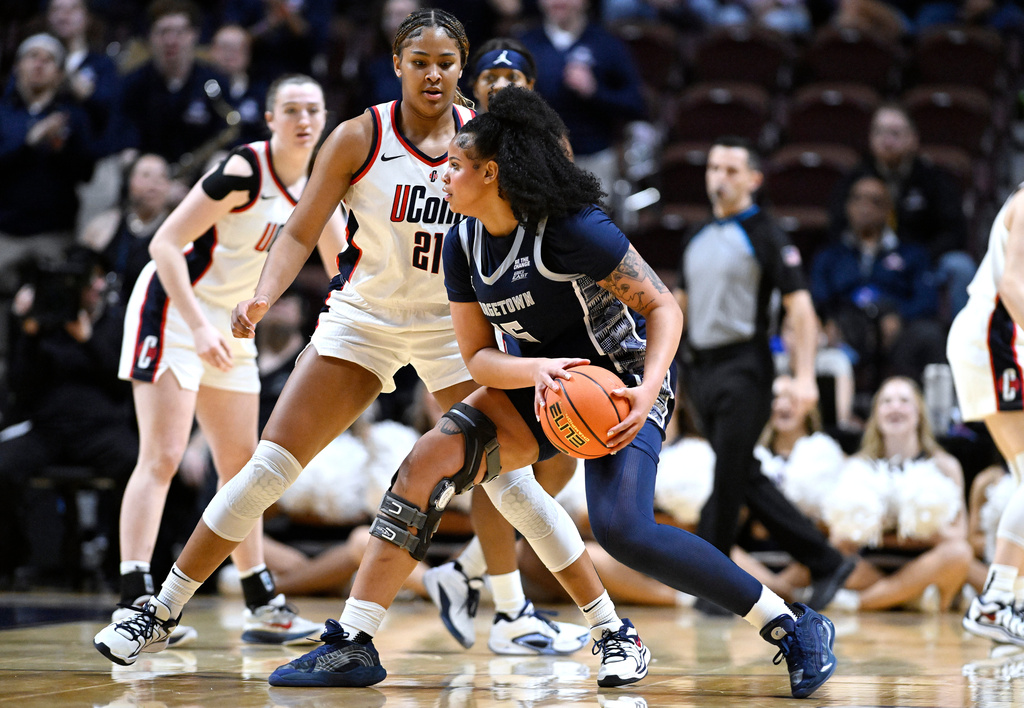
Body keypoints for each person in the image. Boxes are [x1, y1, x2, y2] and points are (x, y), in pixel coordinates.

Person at [259, 85, 832, 695]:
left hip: (619, 382)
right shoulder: (462, 243)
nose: (442, 176)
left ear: (491, 173)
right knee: (426, 461)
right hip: (538, 383)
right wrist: (533, 372)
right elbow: (478, 357)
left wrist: (648, 392)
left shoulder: (576, 230)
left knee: (624, 531)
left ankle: (792, 626)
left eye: (454, 166)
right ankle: (354, 642)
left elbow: (663, 307)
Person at [92, 7, 590, 673]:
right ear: (397, 66)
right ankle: (158, 608)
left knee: (510, 482)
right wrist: (266, 292)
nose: (435, 74)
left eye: (446, 63)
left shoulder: (487, 139)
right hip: (365, 319)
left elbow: (540, 223)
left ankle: (590, 623)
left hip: (453, 325)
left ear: (461, 68)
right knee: (266, 468)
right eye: (421, 62)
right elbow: (300, 228)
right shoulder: (361, 135)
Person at [101, 73, 344, 651]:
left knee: (244, 471)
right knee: (160, 457)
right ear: (270, 118)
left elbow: (344, 268)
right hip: (174, 308)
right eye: (291, 109)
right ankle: (134, 594)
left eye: (313, 109)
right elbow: (164, 242)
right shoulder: (242, 170)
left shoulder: (319, 184)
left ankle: (261, 600)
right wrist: (198, 325)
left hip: (233, 325)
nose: (304, 120)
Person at [420, 35, 587, 655]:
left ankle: (462, 574)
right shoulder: (454, 136)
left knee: (562, 458)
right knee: (497, 464)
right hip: (460, 312)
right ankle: (510, 609)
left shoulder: (549, 145)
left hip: (524, 316)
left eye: (514, 77)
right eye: (491, 76)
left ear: (532, 88)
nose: (502, 85)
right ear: (473, 84)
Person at [675, 135, 857, 615]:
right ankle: (825, 561)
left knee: (729, 472)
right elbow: (679, 309)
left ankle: (712, 588)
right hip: (700, 370)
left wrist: (803, 377)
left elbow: (801, 309)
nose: (720, 177)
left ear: (754, 179)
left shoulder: (766, 233)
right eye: (714, 168)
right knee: (742, 473)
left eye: (732, 170)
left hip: (745, 366)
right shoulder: (694, 237)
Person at [0, 247, 136, 583]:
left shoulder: (116, 321)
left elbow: (123, 386)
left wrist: (88, 341)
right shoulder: (42, 324)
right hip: (48, 430)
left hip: (100, 430)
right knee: (3, 467)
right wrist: (26, 331)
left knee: (137, 466)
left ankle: (123, 565)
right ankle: (10, 560)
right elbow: (19, 386)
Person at [820, 376, 971, 612]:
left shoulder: (945, 465)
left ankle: (861, 603)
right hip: (870, 564)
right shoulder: (857, 465)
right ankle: (911, 598)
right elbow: (839, 537)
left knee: (960, 554)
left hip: (926, 563)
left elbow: (959, 535)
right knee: (829, 552)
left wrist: (914, 529)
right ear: (876, 416)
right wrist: (872, 526)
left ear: (919, 413)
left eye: (904, 400)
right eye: (886, 401)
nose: (895, 407)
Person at [948, 183, 1024, 646]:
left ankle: (1002, 597)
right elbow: (1012, 283)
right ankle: (996, 601)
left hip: (1000, 340)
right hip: (994, 338)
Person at [827, 104, 974, 321]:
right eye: (879, 132)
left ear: (913, 139)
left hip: (923, 260)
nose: (887, 141)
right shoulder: (855, 180)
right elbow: (837, 228)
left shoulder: (933, 179)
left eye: (895, 133)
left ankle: (961, 344)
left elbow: (955, 232)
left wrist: (915, 258)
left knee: (960, 266)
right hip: (869, 258)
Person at [811, 174, 946, 396]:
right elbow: (818, 298)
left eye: (874, 201)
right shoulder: (830, 255)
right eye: (858, 199)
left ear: (888, 210)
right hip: (847, 327)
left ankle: (922, 410)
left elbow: (926, 301)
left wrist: (897, 316)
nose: (865, 207)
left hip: (897, 332)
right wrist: (827, 322)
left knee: (928, 334)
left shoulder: (912, 254)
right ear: (847, 207)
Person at [517, 0, 648, 196]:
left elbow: (636, 104)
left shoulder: (606, 44)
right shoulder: (524, 44)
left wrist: (595, 92)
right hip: (538, 160)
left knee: (591, 223)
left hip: (593, 159)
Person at [117, 0, 232, 178]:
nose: (171, 41)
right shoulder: (133, 84)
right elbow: (127, 144)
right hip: (150, 182)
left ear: (194, 35)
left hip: (201, 183)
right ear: (150, 37)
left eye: (179, 32)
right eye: (163, 32)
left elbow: (227, 134)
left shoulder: (215, 83)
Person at [79, 153, 174, 302]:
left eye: (161, 177)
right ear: (130, 182)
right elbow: (81, 268)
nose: (154, 184)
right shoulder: (107, 224)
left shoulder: (177, 230)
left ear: (169, 186)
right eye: (146, 175)